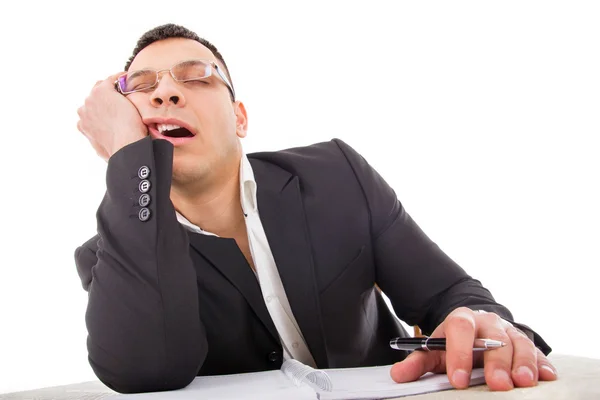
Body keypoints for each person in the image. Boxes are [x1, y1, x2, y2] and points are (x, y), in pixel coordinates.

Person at [74, 23, 556, 394]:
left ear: (240, 118)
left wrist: (477, 321)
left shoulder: (337, 175)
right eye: (141, 86)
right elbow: (145, 371)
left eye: (196, 76)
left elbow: (447, 293)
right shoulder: (113, 253)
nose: (165, 92)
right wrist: (128, 157)